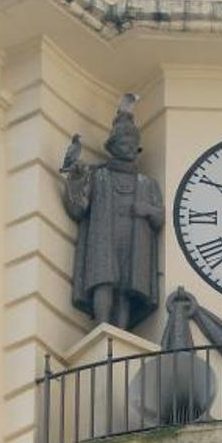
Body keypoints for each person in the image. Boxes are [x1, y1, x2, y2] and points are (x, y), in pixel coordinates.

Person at [62, 95, 164, 330]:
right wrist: (76, 181)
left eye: (132, 145)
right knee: (103, 281)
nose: (128, 148)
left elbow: (159, 219)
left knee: (127, 287)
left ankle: (120, 331)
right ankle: (102, 327)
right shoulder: (98, 176)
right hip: (104, 237)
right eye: (123, 144)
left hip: (134, 241)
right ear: (112, 147)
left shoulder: (147, 183)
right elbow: (79, 209)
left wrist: (147, 210)